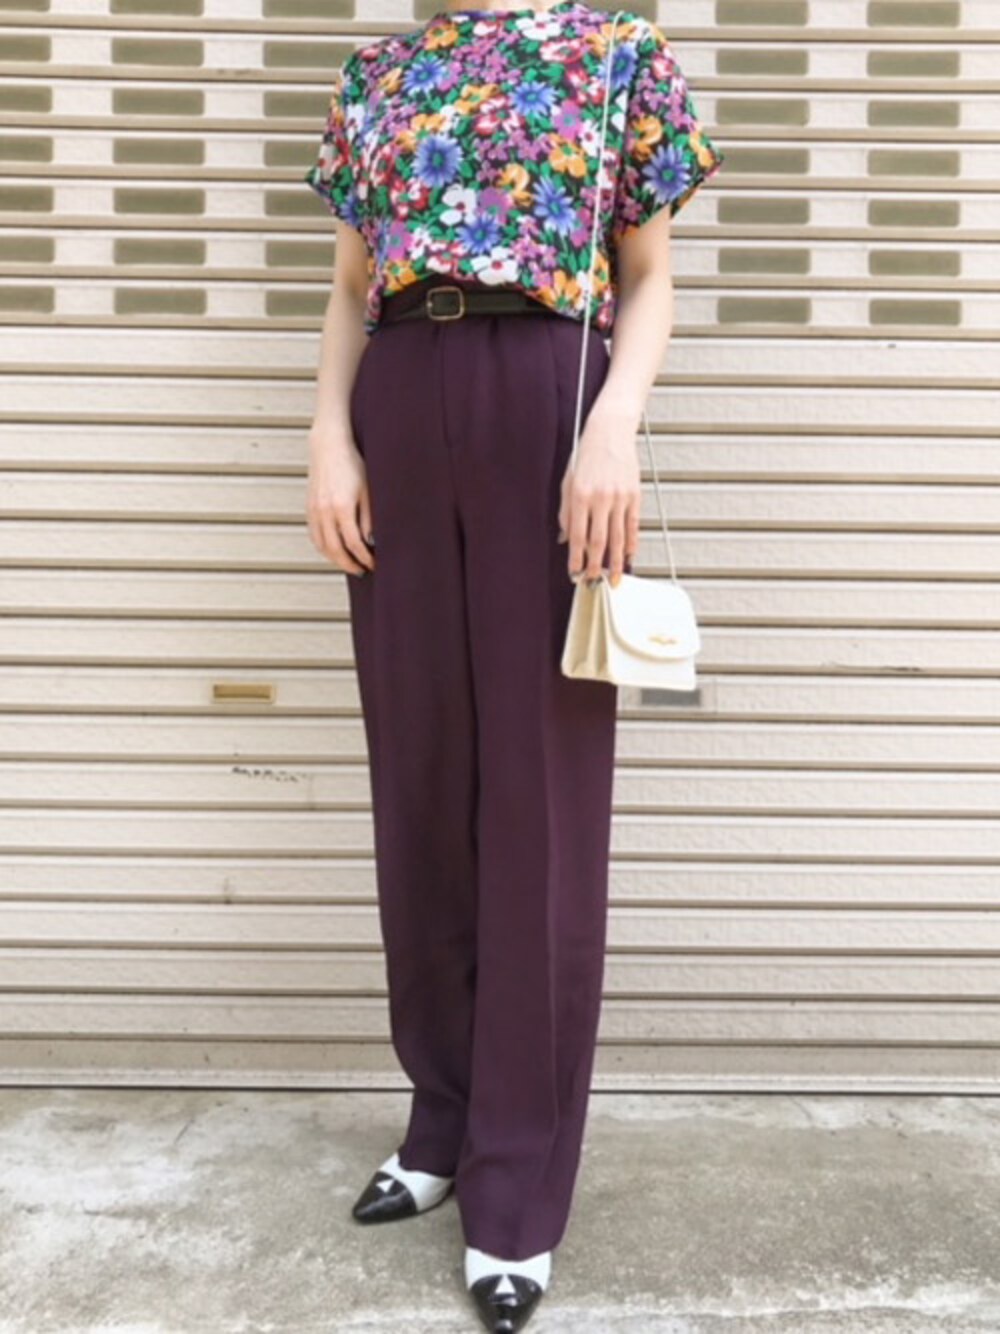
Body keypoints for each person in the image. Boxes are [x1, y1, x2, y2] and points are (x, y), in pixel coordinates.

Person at [303, 3, 723, 1329]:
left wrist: (611, 428)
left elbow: (648, 276)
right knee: (421, 781)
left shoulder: (615, 53)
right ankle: (440, 1122)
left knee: (539, 801)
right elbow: (351, 288)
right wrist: (328, 435)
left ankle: (519, 1184)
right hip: (399, 392)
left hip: (550, 392)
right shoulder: (380, 71)